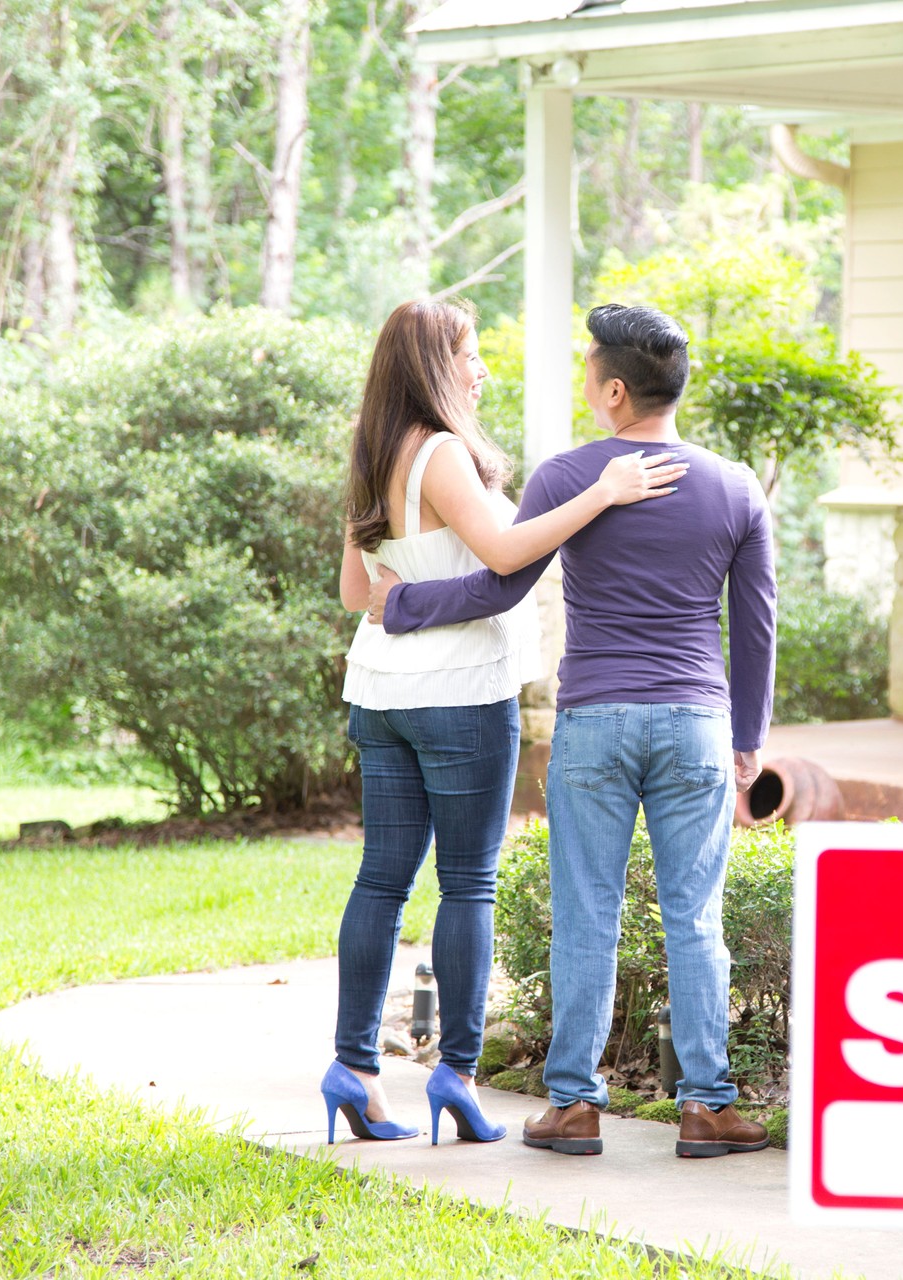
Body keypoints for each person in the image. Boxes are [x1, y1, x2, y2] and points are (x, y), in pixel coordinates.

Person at [368, 303, 777, 1159]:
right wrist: (748, 739)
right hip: (697, 723)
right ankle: (708, 1107)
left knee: (586, 913)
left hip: (593, 724)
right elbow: (756, 627)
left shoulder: (566, 478)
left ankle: (573, 1106)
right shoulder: (735, 487)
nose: (584, 378)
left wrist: (404, 603)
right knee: (694, 916)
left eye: (590, 367)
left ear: (616, 391)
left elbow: (495, 588)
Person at [321, 299, 687, 1147]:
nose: (481, 369)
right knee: (468, 885)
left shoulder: (375, 455)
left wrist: (404, 585)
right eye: (470, 355)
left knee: (380, 881)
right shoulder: (442, 452)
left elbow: (353, 595)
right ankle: (456, 1074)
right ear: (431, 368)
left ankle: (355, 1071)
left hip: (380, 691)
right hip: (459, 690)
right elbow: (508, 553)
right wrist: (603, 490)